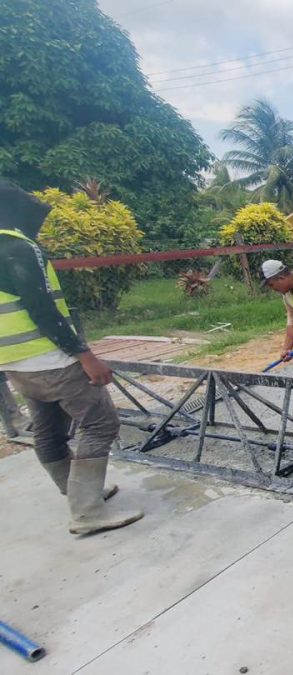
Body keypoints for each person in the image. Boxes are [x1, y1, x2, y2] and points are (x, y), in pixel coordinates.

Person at [0, 180, 141, 534]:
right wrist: (84, 354)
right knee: (101, 423)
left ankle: (75, 493)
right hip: (48, 358)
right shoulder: (18, 246)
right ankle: (87, 511)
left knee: (48, 428)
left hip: (15, 362)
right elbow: (42, 308)